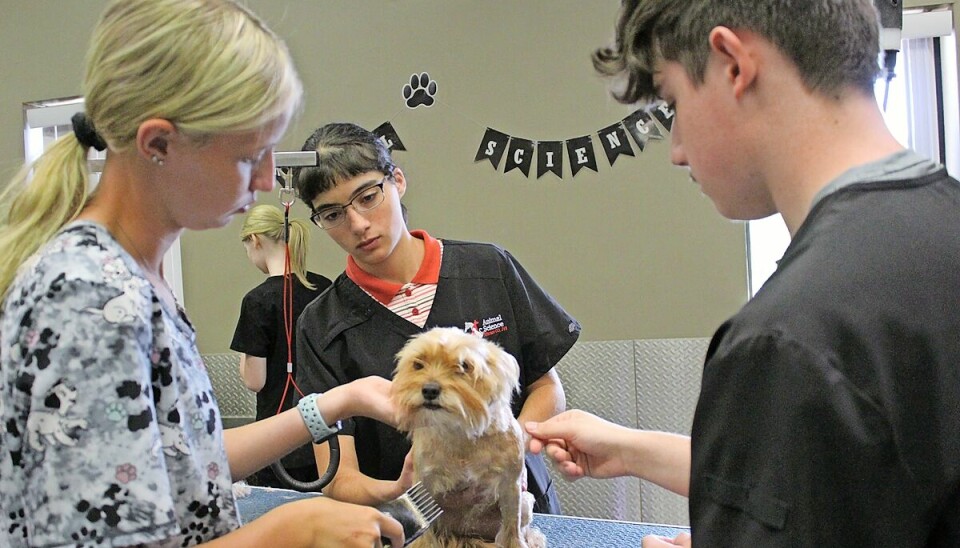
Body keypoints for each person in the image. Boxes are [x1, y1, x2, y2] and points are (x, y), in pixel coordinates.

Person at [525, 0, 960, 546]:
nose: (677, 151)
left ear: (733, 64)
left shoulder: (789, 338)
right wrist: (634, 450)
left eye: (673, 104)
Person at [0, 1, 405, 546]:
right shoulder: (89, 299)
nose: (265, 181)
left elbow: (186, 463)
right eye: (248, 156)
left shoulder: (136, 282)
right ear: (158, 144)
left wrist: (339, 401)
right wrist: (289, 529)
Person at [291, 122, 581, 512]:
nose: (357, 223)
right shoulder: (321, 325)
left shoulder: (488, 269)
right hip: (413, 527)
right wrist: (406, 492)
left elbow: (546, 387)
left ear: (397, 180)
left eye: (368, 197)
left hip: (514, 509)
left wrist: (514, 447)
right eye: (332, 214)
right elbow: (339, 478)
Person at [231, 204, 333, 489]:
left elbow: (254, 380)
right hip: (325, 437)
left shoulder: (258, 301)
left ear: (255, 241)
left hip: (277, 444)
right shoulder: (324, 289)